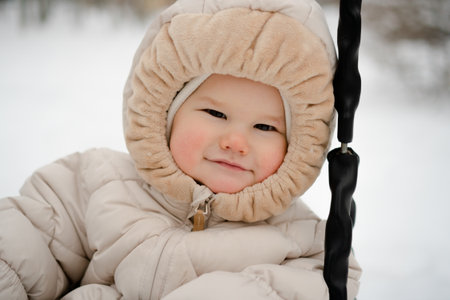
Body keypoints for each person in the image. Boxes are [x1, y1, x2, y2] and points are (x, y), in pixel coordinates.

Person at [0, 0, 361, 299]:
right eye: (215, 113)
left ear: (297, 146)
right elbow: (29, 241)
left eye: (265, 127)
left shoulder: (307, 248)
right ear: (165, 113)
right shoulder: (91, 184)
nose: (235, 142)